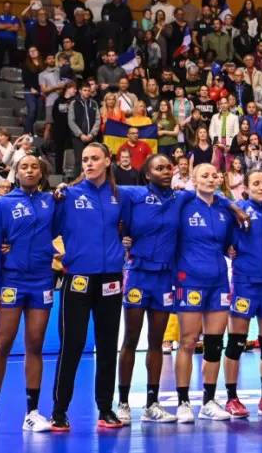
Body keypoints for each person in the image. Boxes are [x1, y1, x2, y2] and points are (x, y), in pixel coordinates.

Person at [0, 155, 56, 436]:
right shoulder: (3, 204)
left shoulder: (50, 203)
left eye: (35, 166)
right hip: (11, 282)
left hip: (42, 282)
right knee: (3, 345)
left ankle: (32, 413)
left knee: (35, 345)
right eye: (24, 166)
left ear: (42, 173)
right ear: (15, 173)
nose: (30, 170)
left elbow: (64, 231)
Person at [50, 143, 128, 431]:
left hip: (111, 279)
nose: (89, 163)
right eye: (85, 159)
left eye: (95, 158)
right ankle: (59, 411)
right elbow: (45, 227)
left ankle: (106, 409)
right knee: (72, 345)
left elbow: (136, 225)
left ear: (108, 161)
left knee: (108, 346)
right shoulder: (68, 195)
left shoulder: (121, 196)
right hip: (78, 279)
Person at [114, 155, 182, 425]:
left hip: (164, 278)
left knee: (157, 341)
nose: (166, 171)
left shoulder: (180, 199)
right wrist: (121, 237)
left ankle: (152, 404)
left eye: (168, 167)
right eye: (159, 168)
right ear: (147, 174)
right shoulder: (133, 194)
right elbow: (103, 197)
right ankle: (123, 403)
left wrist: (235, 210)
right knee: (130, 339)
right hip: (137, 275)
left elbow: (213, 198)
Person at [174, 163, 236, 421]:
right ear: (194, 180)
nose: (211, 179)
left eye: (214, 175)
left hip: (219, 281)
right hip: (190, 281)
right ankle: (183, 403)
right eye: (205, 176)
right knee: (188, 341)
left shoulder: (224, 209)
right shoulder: (183, 204)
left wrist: (231, 250)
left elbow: (229, 244)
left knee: (214, 344)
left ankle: (209, 401)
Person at [225, 170, 262, 417]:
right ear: (246, 188)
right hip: (244, 284)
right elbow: (221, 237)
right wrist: (227, 248)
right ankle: (231, 399)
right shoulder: (235, 209)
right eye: (256, 183)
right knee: (236, 344)